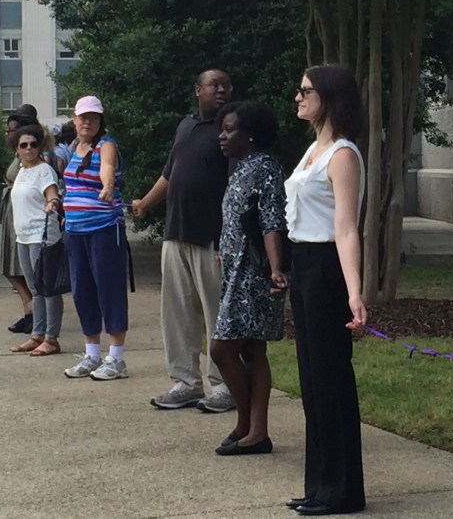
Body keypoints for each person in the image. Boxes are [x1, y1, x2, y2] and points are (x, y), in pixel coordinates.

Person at [283, 64, 367, 516]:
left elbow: (346, 228)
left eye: (306, 91)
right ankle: (319, 486)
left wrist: (354, 292)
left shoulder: (342, 155)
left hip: (327, 269)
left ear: (329, 97)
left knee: (332, 380)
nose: (298, 97)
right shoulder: (313, 151)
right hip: (303, 265)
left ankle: (343, 491)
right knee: (312, 382)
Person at [131, 69, 235, 413]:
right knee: (177, 316)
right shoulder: (185, 127)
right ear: (197, 90)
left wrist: (228, 238)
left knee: (217, 315)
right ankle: (186, 383)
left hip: (212, 239)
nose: (220, 90)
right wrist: (146, 203)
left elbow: (236, 186)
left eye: (225, 85)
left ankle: (225, 385)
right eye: (213, 85)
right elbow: (169, 174)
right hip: (176, 234)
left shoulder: (230, 130)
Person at [211, 101, 288, 456]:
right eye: (221, 130)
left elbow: (272, 220)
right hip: (235, 271)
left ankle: (247, 422)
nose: (223, 136)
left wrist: (275, 268)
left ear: (251, 134)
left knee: (222, 349)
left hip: (254, 273)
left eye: (230, 129)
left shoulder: (266, 168)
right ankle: (254, 431)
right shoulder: (242, 168)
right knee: (253, 349)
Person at [62, 95, 130, 381]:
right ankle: (92, 354)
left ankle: (116, 359)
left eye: (93, 117)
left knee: (109, 290)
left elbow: (107, 167)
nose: (87, 122)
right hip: (75, 231)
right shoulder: (75, 148)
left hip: (104, 228)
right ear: (75, 119)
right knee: (82, 292)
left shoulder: (107, 144)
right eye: (83, 117)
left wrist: (107, 184)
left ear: (100, 120)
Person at [7, 124, 63, 356]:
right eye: (23, 145)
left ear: (40, 146)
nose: (29, 149)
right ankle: (37, 335)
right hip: (24, 236)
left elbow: (52, 194)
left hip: (42, 235)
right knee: (35, 288)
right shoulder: (21, 171)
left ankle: (51, 338)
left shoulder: (44, 170)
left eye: (33, 144)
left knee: (48, 288)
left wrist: (52, 203)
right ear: (17, 150)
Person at [0, 109, 37, 334]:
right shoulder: (17, 155)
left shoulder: (33, 157)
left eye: (10, 130)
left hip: (23, 215)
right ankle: (29, 309)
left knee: (18, 266)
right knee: (10, 265)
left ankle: (32, 310)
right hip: (12, 213)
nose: (6, 134)